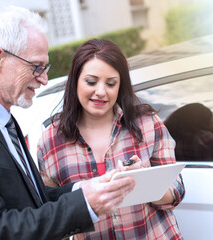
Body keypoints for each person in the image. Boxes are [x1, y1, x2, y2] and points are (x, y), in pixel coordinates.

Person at [0, 6, 136, 240]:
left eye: (45, 68)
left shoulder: (4, 121)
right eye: (36, 67)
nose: (43, 79)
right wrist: (84, 204)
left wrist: (88, 189)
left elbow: (34, 200)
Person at [37, 39, 185, 240]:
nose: (101, 91)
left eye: (111, 83)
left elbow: (177, 191)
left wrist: (144, 181)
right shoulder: (50, 141)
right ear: (75, 81)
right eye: (91, 81)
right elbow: (50, 213)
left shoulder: (148, 124)